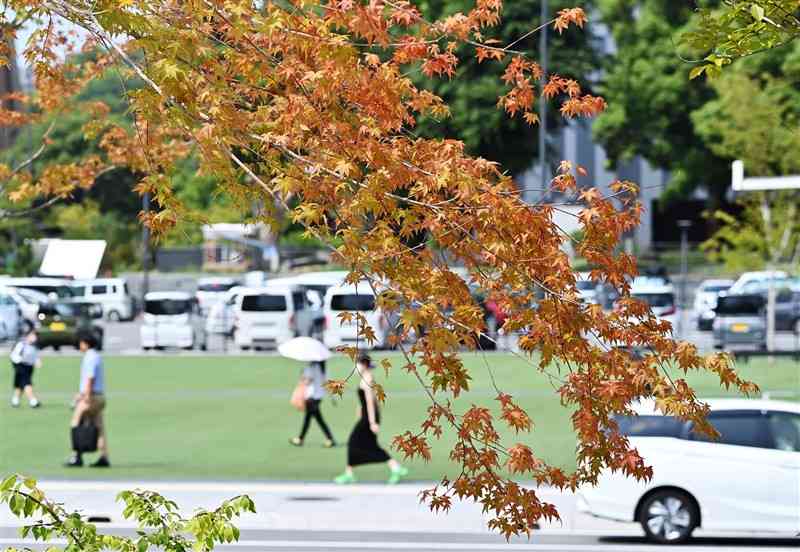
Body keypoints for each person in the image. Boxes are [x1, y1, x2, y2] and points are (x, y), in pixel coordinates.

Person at [334, 354, 408, 485]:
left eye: (358, 364)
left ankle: (350, 474)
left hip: (369, 417)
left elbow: (370, 401)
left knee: (355, 442)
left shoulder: (367, 379)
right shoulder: (365, 378)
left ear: (364, 365)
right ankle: (395, 468)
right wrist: (360, 411)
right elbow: (365, 401)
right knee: (360, 443)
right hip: (366, 416)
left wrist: (373, 422)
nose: (356, 367)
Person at [66, 331, 110, 468]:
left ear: (85, 344)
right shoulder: (97, 356)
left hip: (91, 397)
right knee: (99, 427)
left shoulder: (89, 357)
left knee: (75, 422)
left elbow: (90, 378)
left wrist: (85, 397)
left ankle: (76, 455)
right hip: (100, 397)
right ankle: (104, 456)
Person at [290, 360, 336, 448]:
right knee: (313, 419)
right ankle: (301, 438)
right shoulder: (323, 368)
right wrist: (332, 397)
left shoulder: (311, 368)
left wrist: (302, 376)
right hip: (318, 397)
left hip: (311, 397)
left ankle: (301, 439)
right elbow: (327, 382)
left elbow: (307, 381)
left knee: (313, 419)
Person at [9, 329, 41, 408]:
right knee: (27, 383)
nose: (35, 337)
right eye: (33, 335)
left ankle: (15, 400)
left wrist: (37, 361)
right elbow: (15, 354)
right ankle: (33, 401)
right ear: (28, 336)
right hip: (20, 365)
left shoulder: (34, 346)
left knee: (20, 383)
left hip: (29, 366)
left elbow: (35, 356)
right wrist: (19, 362)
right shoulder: (22, 344)